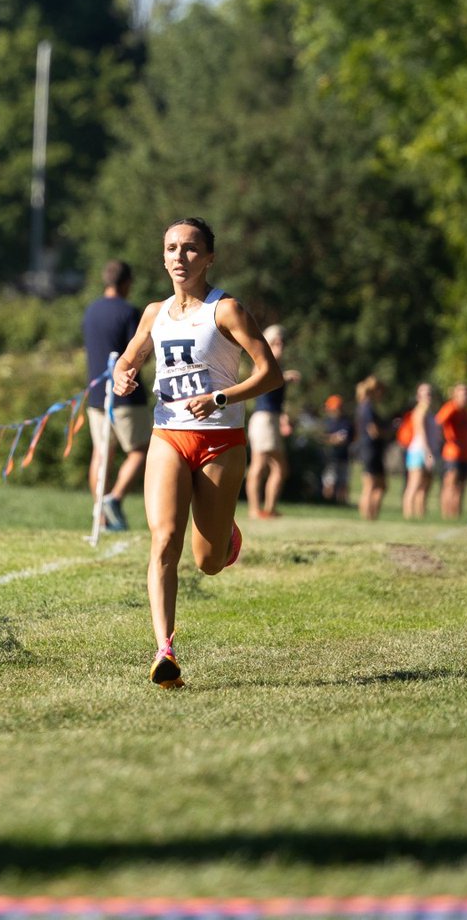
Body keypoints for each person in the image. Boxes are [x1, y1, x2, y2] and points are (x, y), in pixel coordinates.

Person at [112, 217, 283, 689]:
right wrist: (123, 375)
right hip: (168, 435)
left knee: (206, 561)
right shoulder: (154, 313)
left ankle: (225, 534)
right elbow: (128, 360)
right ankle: (164, 650)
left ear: (209, 257)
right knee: (164, 539)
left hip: (221, 441)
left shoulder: (226, 310)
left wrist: (221, 399)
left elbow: (270, 374)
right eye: (171, 248)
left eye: (190, 249)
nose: (180, 257)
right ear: (162, 257)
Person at [82, 259, 152, 531]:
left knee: (101, 453)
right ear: (127, 283)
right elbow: (139, 353)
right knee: (140, 450)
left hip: (96, 394)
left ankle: (99, 514)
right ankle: (115, 498)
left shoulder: (91, 311)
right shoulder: (129, 312)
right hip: (126, 393)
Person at [245, 325, 300, 519]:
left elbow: (274, 399)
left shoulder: (275, 365)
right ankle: (257, 509)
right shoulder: (264, 362)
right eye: (275, 342)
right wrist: (285, 376)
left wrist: (283, 419)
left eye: (281, 342)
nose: (280, 346)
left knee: (276, 468)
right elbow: (258, 380)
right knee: (262, 465)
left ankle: (268, 509)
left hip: (271, 418)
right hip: (264, 420)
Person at [399, 383, 437, 519]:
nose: (428, 396)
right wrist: (428, 454)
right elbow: (421, 434)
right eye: (425, 393)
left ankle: (420, 515)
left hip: (426, 451)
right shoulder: (419, 412)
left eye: (429, 393)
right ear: (418, 396)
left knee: (425, 486)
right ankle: (408, 515)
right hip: (418, 451)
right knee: (414, 485)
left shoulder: (429, 412)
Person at [436, 383, 467, 520]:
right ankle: (447, 514)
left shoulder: (466, 412)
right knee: (450, 484)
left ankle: (456, 514)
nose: (464, 396)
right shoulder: (451, 407)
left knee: (461, 486)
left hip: (466, 453)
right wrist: (447, 438)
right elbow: (439, 421)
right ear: (455, 395)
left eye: (466, 393)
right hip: (452, 453)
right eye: (461, 393)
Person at [356, 375, 389, 520]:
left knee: (380, 485)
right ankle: (368, 516)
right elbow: (373, 430)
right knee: (370, 485)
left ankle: (371, 515)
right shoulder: (367, 406)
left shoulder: (363, 406)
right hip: (370, 448)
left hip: (370, 448)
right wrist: (387, 433)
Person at [320, 394, 354, 505]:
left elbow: (346, 439)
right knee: (329, 482)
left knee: (343, 482)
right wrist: (333, 439)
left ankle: (342, 503)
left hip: (344, 457)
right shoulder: (326, 422)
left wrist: (332, 438)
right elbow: (321, 438)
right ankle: (328, 503)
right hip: (330, 457)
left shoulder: (346, 422)